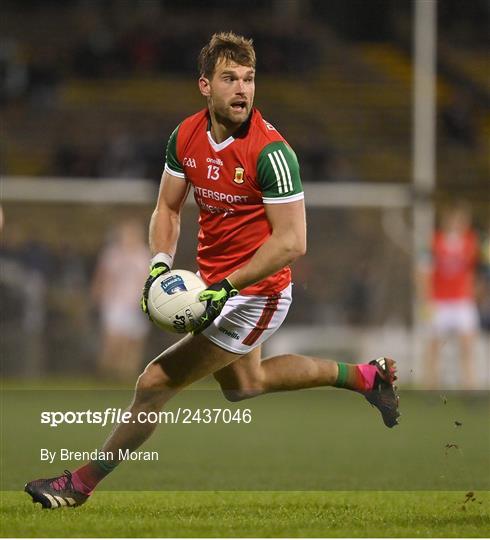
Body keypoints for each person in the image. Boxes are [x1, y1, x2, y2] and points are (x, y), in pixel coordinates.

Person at [25, 32, 399, 509]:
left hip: (258, 294)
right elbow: (167, 207)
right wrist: (158, 265)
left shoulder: (272, 153)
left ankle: (79, 485)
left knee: (155, 382)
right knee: (246, 386)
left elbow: (292, 242)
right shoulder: (185, 136)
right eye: (230, 78)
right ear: (205, 85)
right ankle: (368, 378)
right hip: (215, 286)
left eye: (248, 79)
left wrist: (224, 287)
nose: (242, 89)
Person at [419, 203, 479, 389]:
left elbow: (473, 272)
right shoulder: (434, 242)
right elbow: (422, 272)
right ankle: (431, 386)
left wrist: (473, 294)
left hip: (462, 301)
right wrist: (426, 299)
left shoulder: (470, 242)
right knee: (434, 346)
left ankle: (469, 387)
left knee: (467, 346)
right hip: (439, 302)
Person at [91, 219, 151, 381]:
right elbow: (102, 276)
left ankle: (128, 377)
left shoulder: (143, 254)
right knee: (113, 342)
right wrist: (97, 295)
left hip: (135, 305)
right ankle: (106, 376)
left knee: (133, 343)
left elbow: (147, 280)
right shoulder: (112, 254)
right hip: (114, 303)